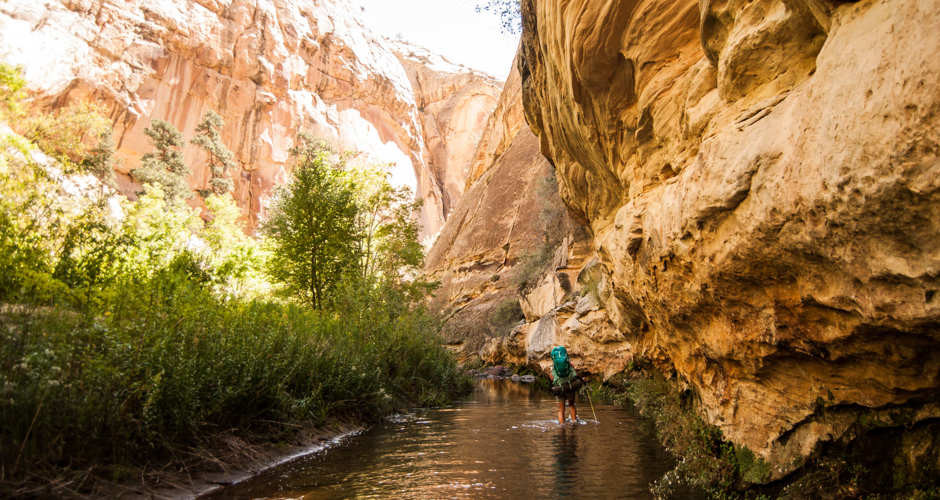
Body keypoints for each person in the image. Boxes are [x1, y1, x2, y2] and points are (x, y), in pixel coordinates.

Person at [550, 346, 581, 424]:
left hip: (560, 388)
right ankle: (574, 422)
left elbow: (552, 378)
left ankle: (561, 425)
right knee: (572, 405)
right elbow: (575, 374)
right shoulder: (569, 365)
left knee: (561, 410)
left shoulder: (554, 367)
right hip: (570, 387)